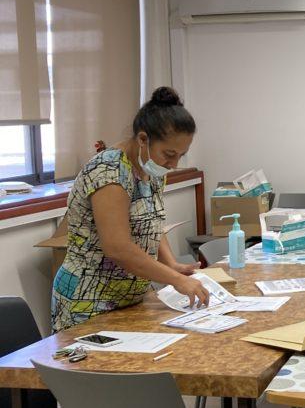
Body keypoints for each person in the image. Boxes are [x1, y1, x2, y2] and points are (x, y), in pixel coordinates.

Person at [51, 87, 209, 331]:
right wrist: (175, 280)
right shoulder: (109, 172)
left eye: (181, 155)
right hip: (89, 300)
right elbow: (118, 248)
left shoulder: (152, 168)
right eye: (169, 154)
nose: (174, 163)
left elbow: (152, 223)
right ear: (143, 139)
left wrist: (171, 264)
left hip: (129, 298)